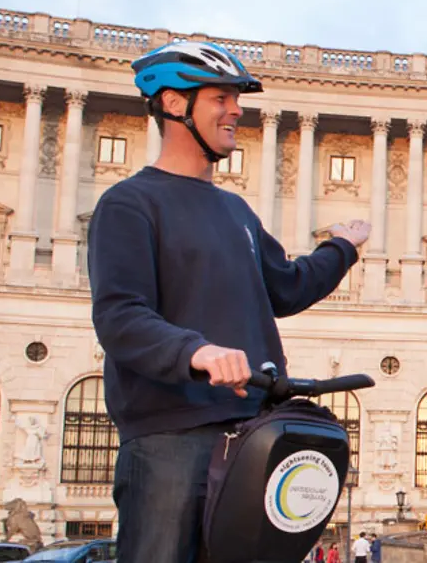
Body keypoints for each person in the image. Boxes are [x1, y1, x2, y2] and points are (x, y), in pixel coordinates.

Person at [90, 41, 369, 562]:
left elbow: (285, 287)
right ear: (175, 104)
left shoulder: (235, 211)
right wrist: (195, 352)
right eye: (221, 97)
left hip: (248, 436)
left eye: (235, 99)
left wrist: (341, 249)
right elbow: (119, 315)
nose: (236, 110)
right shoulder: (129, 203)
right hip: (170, 437)